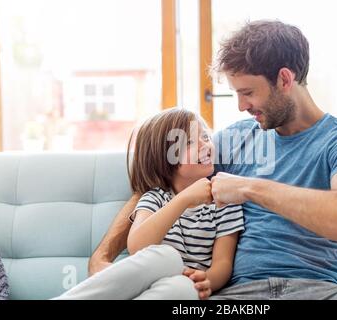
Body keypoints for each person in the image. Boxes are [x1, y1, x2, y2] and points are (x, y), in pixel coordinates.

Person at [89, 20, 337, 300]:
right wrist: (103, 257)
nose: (240, 106)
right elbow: (161, 181)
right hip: (241, 297)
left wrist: (251, 188)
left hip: (323, 291)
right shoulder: (236, 140)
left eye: (248, 92)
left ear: (284, 79)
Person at [55, 108, 244, 300]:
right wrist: (184, 199)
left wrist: (207, 280)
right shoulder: (155, 198)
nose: (205, 145)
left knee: (184, 288)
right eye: (190, 142)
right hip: (147, 281)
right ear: (163, 158)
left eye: (205, 136)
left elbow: (223, 263)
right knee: (167, 257)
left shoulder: (225, 202)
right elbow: (138, 245)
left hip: (184, 288)